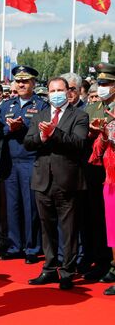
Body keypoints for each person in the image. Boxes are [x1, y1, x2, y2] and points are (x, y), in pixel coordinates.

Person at [24, 77, 89, 290]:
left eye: (59, 90)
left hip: (67, 181)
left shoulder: (79, 115)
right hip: (42, 180)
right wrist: (42, 138)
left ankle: (68, 271)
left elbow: (79, 144)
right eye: (52, 90)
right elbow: (28, 142)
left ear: (68, 92)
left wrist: (54, 133)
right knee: (46, 228)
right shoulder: (40, 115)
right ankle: (49, 268)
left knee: (68, 230)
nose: (56, 94)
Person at [0, 66, 48, 264]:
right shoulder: (7, 105)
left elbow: (41, 133)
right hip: (10, 161)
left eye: (25, 81)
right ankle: (14, 245)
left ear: (33, 83)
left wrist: (23, 127)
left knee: (30, 206)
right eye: (18, 81)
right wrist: (9, 128)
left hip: (30, 160)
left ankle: (32, 247)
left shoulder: (41, 105)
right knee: (12, 205)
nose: (21, 84)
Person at [82, 63, 115, 280]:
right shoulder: (94, 107)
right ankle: (106, 263)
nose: (102, 87)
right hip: (101, 174)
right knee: (104, 222)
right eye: (100, 83)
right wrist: (96, 133)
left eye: (107, 83)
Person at [89, 105, 115, 295]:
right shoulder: (109, 115)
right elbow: (97, 151)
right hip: (111, 179)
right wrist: (105, 135)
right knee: (113, 230)